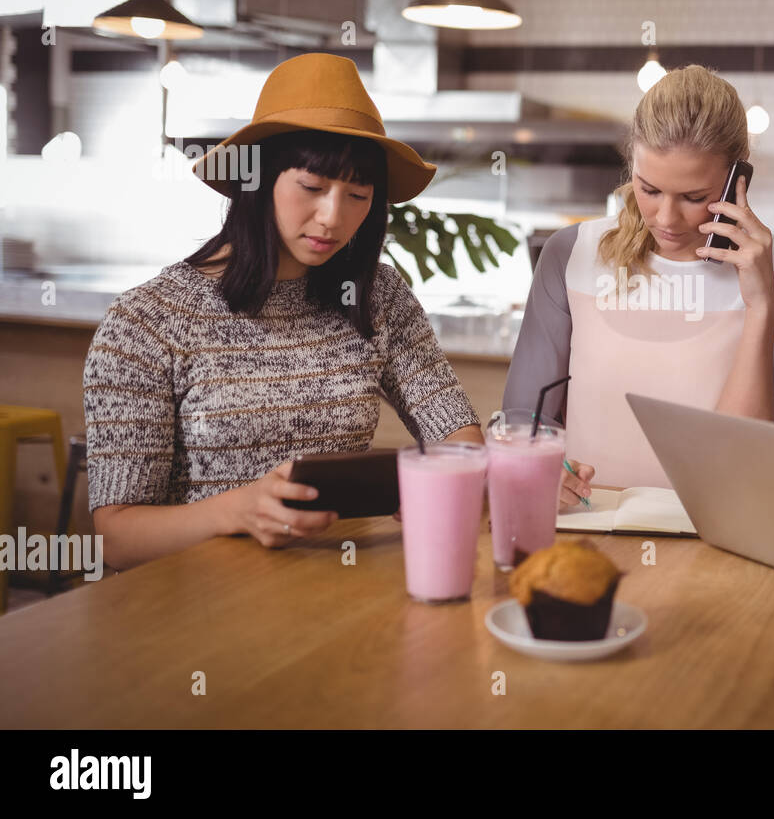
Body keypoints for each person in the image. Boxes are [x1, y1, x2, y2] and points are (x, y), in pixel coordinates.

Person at [84, 53, 482, 571]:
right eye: (312, 188)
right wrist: (236, 511)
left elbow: (456, 434)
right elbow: (116, 537)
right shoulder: (148, 321)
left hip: (342, 585)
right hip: (193, 610)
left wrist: (454, 475)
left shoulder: (375, 296)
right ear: (257, 180)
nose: (333, 218)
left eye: (358, 195)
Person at [503, 64, 774, 503]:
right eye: (649, 189)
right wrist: (540, 464)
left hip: (712, 532)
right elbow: (524, 420)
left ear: (737, 180)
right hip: (583, 524)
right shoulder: (569, 253)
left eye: (695, 198)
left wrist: (760, 305)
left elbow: (740, 457)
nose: (667, 219)